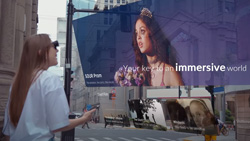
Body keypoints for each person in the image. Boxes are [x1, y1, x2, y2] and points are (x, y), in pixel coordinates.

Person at [2, 34, 96, 141]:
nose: (56, 50)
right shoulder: (49, 79)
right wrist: (83, 119)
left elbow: (7, 133)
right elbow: (59, 124)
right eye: (53, 46)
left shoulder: (17, 83)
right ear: (41, 51)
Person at [132, 8, 183, 86]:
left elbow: (183, 98)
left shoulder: (169, 73)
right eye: (136, 33)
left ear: (152, 33)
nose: (138, 37)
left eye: (142, 31)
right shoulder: (137, 73)